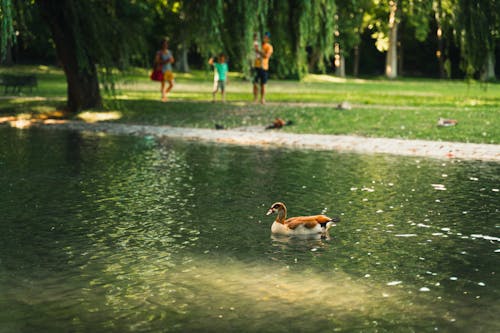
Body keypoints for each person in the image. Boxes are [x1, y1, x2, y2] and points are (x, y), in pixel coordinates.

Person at [253, 31, 273, 104]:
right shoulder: (257, 45)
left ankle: (262, 99)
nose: (264, 39)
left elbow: (266, 56)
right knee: (255, 83)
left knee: (263, 84)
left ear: (268, 39)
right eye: (264, 37)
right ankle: (255, 99)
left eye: (266, 37)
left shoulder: (269, 47)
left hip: (264, 67)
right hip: (256, 66)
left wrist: (258, 51)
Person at [154, 38, 175, 102]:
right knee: (163, 84)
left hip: (169, 70)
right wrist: (165, 61)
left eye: (166, 44)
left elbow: (172, 60)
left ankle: (164, 94)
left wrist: (170, 60)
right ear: (162, 45)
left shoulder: (169, 52)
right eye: (164, 44)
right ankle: (163, 97)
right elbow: (157, 61)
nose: (165, 45)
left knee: (171, 84)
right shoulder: (159, 52)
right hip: (162, 70)